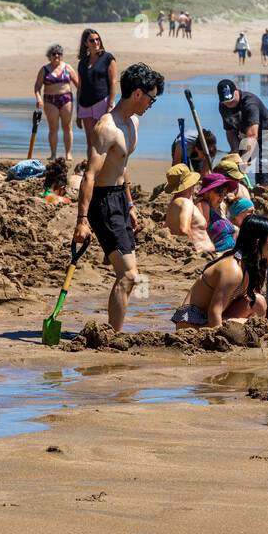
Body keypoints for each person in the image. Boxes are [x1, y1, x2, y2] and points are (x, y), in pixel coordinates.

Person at [73, 62, 164, 332]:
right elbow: (89, 175)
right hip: (102, 203)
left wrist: (131, 204)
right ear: (138, 94)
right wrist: (81, 220)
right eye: (151, 98)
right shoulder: (107, 128)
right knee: (129, 275)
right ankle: (113, 335)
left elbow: (122, 167)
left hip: (121, 201)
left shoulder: (132, 123)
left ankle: (114, 331)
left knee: (127, 275)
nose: (151, 104)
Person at [171, 215, 268, 329]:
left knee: (258, 302)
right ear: (257, 242)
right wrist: (220, 339)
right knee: (251, 326)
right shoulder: (233, 270)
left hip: (209, 318)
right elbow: (214, 312)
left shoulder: (250, 265)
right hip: (192, 323)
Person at [217, 79, 268, 187]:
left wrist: (244, 160)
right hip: (246, 136)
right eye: (226, 102)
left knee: (262, 165)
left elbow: (252, 135)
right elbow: (230, 131)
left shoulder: (250, 103)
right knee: (233, 166)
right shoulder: (223, 106)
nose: (229, 104)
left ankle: (265, 192)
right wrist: (235, 151)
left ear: (236, 90)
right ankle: (240, 191)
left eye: (232, 100)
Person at [76, 28, 117, 159]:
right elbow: (80, 87)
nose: (96, 42)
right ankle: (91, 170)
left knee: (104, 140)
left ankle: (105, 171)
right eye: (92, 40)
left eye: (97, 39)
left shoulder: (107, 58)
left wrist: (110, 105)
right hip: (85, 105)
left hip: (102, 103)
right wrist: (78, 111)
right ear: (86, 43)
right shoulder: (82, 63)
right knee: (91, 142)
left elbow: (113, 82)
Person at [33, 43, 77, 160]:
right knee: (53, 128)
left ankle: (68, 153)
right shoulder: (44, 69)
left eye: (59, 54)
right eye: (54, 54)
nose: (57, 56)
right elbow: (37, 87)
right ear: (49, 56)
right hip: (50, 100)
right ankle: (53, 153)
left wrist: (84, 98)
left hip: (66, 99)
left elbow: (79, 85)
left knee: (67, 126)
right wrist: (39, 98)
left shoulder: (67, 68)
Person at [163, 164, 211, 251]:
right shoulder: (186, 203)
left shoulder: (174, 203)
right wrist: (193, 251)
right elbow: (184, 230)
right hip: (201, 253)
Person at [195, 172, 239, 252]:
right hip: (221, 253)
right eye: (219, 194)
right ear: (207, 192)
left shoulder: (220, 207)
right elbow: (199, 233)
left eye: (224, 194)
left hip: (232, 251)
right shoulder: (203, 205)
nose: (221, 199)